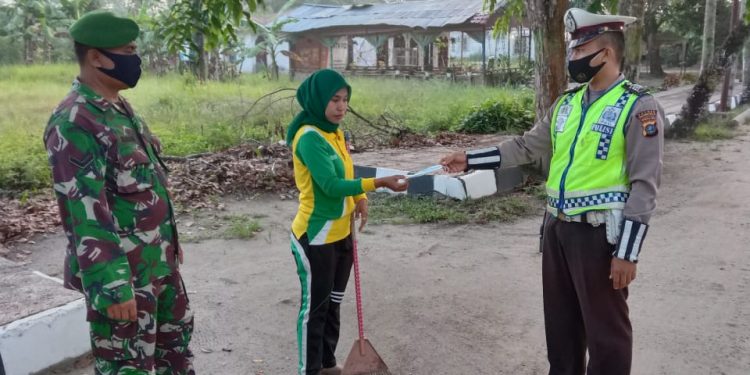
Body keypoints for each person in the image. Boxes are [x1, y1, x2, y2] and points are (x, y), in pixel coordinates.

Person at [441, 8, 664, 375]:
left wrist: (628, 252)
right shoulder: (567, 105)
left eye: (579, 50)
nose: (573, 58)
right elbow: (526, 147)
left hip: (599, 236)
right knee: (561, 332)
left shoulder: (638, 106)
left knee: (607, 337)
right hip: (557, 231)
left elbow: (644, 184)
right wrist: (470, 159)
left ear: (605, 53)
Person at [43, 11, 193, 374]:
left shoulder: (118, 108)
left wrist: (170, 243)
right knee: (129, 366)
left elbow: (144, 188)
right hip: (123, 279)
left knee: (176, 357)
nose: (135, 59)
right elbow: (84, 214)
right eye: (127, 50)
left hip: (158, 265)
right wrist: (112, 287)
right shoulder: (75, 121)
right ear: (96, 57)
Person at [287, 69, 407, 375]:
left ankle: (327, 364)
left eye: (345, 100)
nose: (341, 106)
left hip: (342, 233)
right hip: (315, 235)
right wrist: (377, 184)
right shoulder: (310, 138)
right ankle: (309, 370)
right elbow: (329, 185)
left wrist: (359, 199)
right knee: (315, 309)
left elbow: (346, 172)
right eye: (334, 99)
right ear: (317, 100)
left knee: (333, 303)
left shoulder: (334, 131)